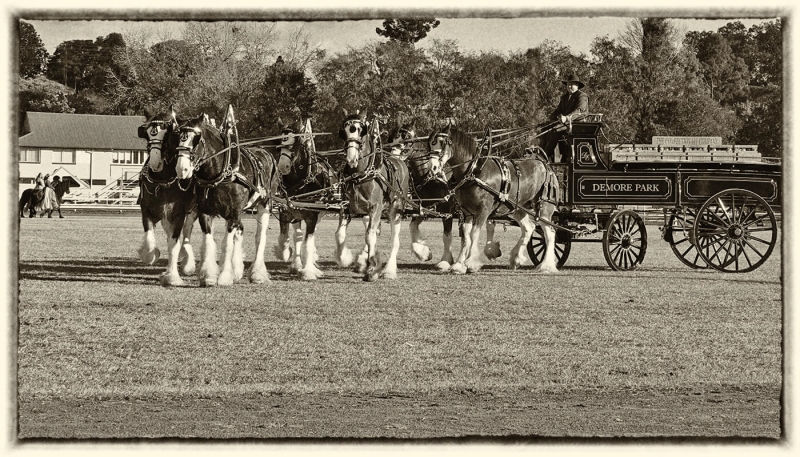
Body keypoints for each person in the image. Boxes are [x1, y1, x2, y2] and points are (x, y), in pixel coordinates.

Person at [541, 74, 589, 162]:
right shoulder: (564, 97)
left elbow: (579, 111)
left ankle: (545, 157)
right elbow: (558, 111)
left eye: (572, 84)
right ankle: (543, 155)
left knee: (554, 131)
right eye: (568, 84)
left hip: (577, 124)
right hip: (565, 124)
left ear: (577, 86)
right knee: (544, 128)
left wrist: (566, 118)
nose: (570, 86)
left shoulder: (582, 96)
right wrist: (549, 119)